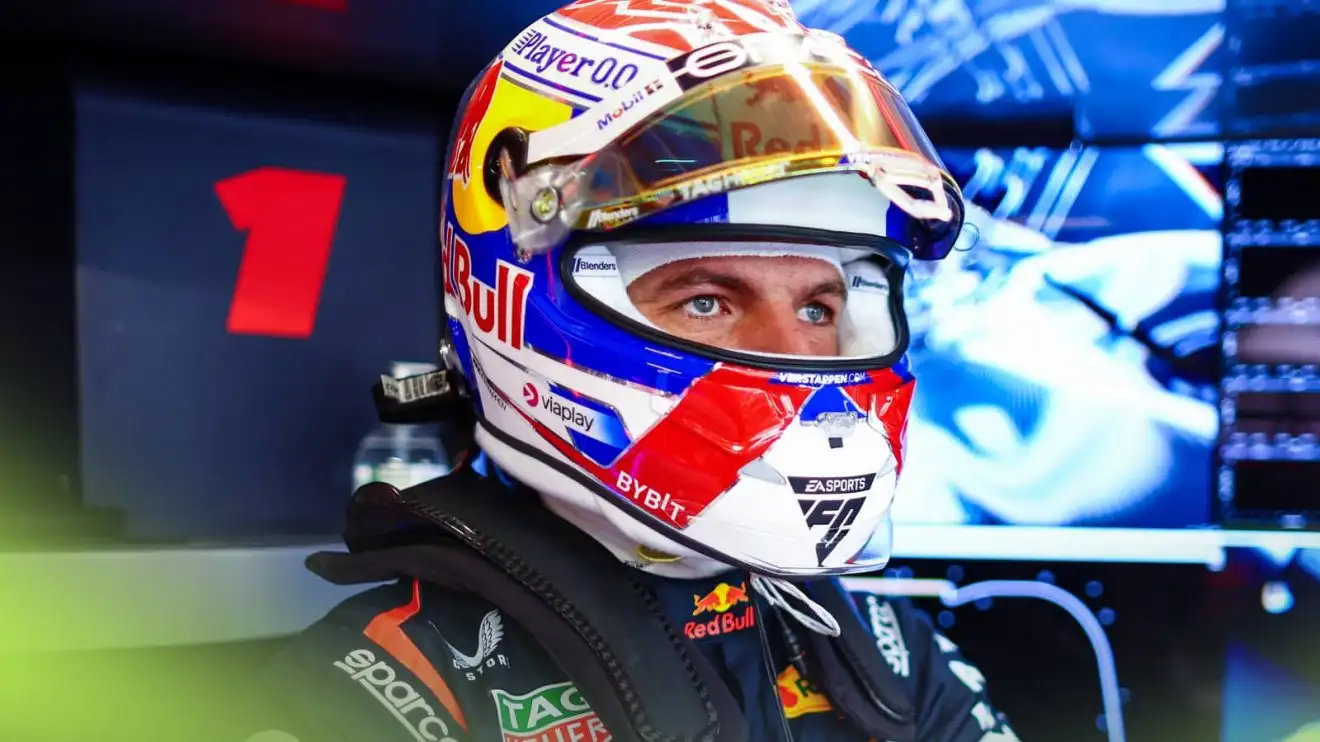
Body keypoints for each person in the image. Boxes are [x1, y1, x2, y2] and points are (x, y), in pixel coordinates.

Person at [240, 1, 1020, 740]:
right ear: (514, 297)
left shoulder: (880, 648)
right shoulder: (378, 691)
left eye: (820, 309)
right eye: (709, 301)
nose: (800, 359)